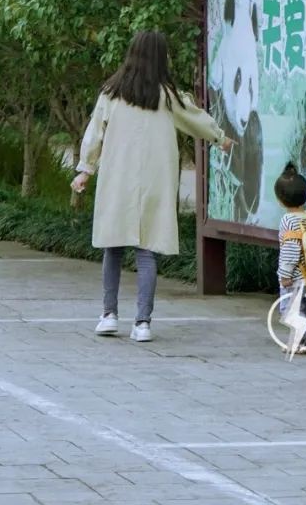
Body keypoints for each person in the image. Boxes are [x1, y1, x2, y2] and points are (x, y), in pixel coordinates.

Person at [71, 29, 234, 342]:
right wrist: (221, 139)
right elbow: (197, 120)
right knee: (147, 253)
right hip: (154, 184)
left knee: (113, 249)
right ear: (161, 58)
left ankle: (108, 315)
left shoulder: (111, 92)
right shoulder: (167, 96)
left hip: (117, 180)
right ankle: (142, 323)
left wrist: (84, 170)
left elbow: (94, 133)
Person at [275, 161, 306, 358]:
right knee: (301, 310)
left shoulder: (288, 221)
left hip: (294, 276)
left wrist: (285, 275)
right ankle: (297, 343)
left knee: (289, 312)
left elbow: (290, 249)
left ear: (280, 200)